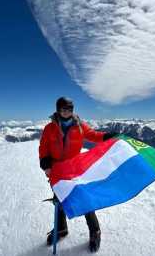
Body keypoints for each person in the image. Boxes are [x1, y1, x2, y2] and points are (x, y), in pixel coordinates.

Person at [39, 96, 118, 253]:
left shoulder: (79, 126)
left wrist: (106, 136)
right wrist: (46, 164)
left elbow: (92, 135)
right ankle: (61, 229)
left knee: (84, 199)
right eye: (63, 109)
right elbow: (44, 147)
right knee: (60, 199)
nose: (66, 112)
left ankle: (95, 231)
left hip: (75, 169)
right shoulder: (50, 128)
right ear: (58, 110)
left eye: (69, 109)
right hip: (57, 170)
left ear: (72, 110)